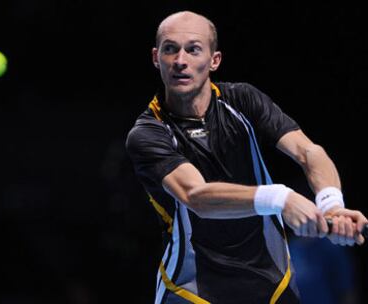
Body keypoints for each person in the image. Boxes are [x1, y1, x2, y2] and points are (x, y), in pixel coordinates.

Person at [125, 10, 368, 304]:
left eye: (193, 49)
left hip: (273, 286)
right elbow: (197, 195)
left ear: (214, 60)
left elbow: (308, 151)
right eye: (170, 49)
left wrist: (332, 205)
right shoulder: (148, 133)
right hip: (191, 291)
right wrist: (281, 198)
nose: (180, 61)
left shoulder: (243, 101)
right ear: (156, 57)